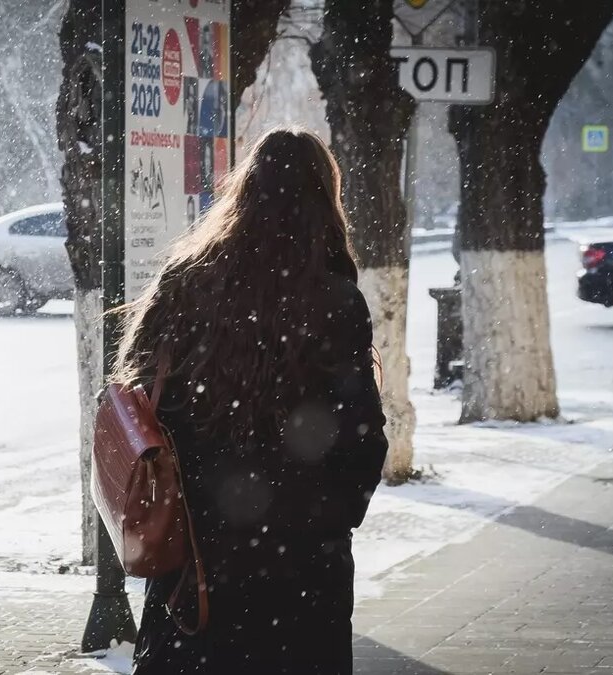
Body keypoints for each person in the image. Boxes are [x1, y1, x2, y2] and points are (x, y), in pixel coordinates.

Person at [115, 128, 389, 674]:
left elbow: (143, 396)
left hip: (196, 544)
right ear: (323, 200)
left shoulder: (187, 279)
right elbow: (363, 433)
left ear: (244, 191)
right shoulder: (334, 299)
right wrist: (333, 516)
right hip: (300, 555)